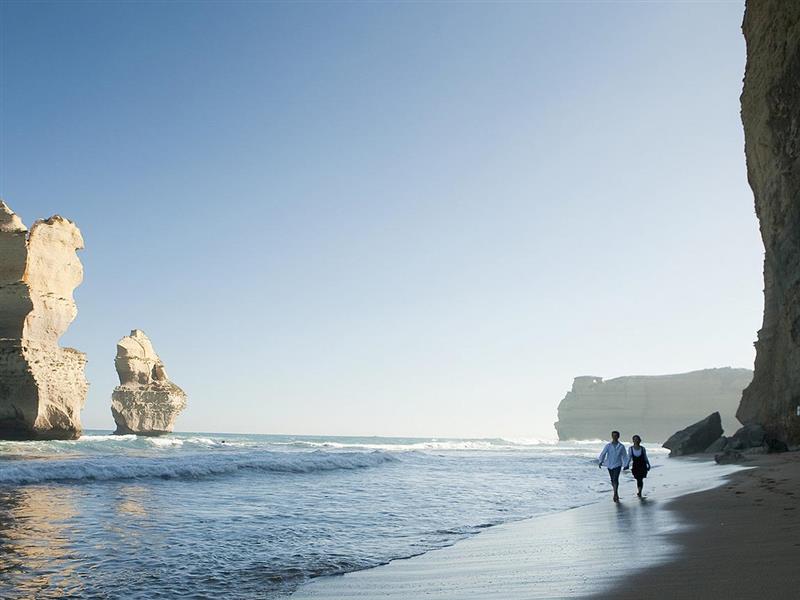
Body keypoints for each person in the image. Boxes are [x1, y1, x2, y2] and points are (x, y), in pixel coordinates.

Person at [598, 430, 629, 502]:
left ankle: (615, 493)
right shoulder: (608, 445)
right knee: (612, 479)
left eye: (616, 435)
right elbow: (603, 453)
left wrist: (626, 464)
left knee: (615, 479)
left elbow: (625, 456)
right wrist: (600, 461)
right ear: (612, 436)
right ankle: (615, 491)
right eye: (613, 435)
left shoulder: (621, 446)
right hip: (609, 464)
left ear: (618, 436)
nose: (614, 437)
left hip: (618, 464)